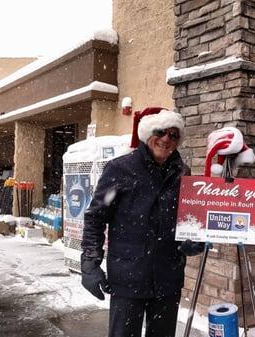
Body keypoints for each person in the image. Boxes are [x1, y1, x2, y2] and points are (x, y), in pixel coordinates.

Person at [81, 107, 203, 337]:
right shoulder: (120, 168)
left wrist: (194, 240)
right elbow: (96, 217)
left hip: (168, 278)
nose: (166, 139)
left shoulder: (182, 172)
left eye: (174, 134)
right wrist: (89, 262)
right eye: (161, 132)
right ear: (148, 134)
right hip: (128, 277)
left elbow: (189, 218)